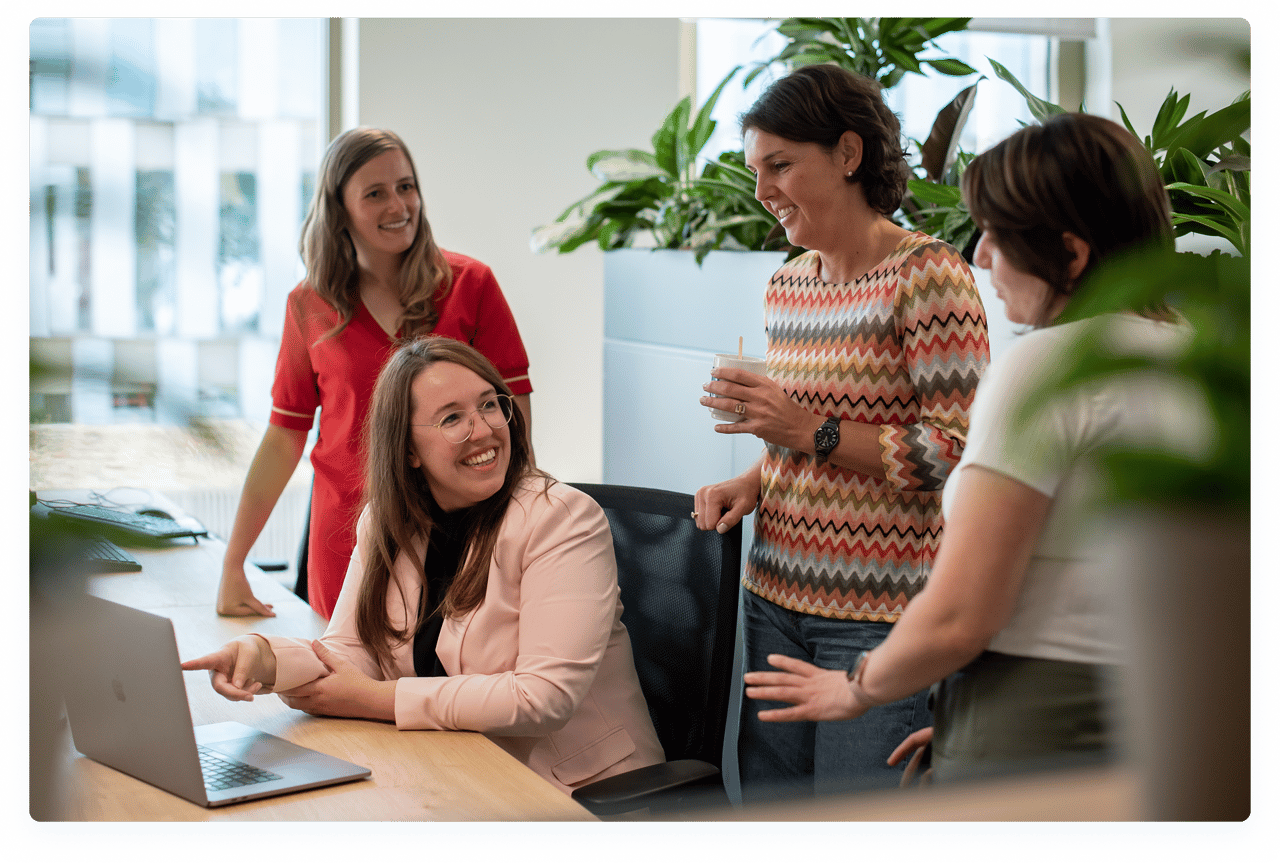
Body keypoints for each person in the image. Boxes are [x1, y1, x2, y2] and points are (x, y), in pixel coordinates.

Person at [742, 112, 1200, 783]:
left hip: (1035, 711)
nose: (981, 256)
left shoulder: (1046, 366)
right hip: (1157, 712)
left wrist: (859, 688)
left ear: (1071, 255)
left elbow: (961, 615)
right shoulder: (1197, 360)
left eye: (997, 234)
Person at [185, 337, 664, 795]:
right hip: (456, 770)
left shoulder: (561, 518)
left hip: (580, 793)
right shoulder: (387, 521)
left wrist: (376, 699)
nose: (484, 430)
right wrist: (264, 659)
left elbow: (542, 697)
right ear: (408, 450)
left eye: (489, 405)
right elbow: (349, 652)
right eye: (452, 418)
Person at [693, 64, 989, 797]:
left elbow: (958, 452)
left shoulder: (929, 276)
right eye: (755, 170)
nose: (762, 190)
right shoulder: (787, 283)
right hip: (774, 599)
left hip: (879, 618)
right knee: (773, 821)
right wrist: (754, 479)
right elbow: (802, 436)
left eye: (779, 165)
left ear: (848, 154)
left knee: (859, 828)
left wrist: (805, 429)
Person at [216, 128, 534, 621]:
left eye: (406, 187)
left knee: (459, 665)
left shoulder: (471, 285)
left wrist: (527, 520)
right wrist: (234, 562)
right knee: (343, 667)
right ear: (339, 209)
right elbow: (284, 435)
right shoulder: (308, 305)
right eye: (375, 194)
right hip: (345, 536)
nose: (399, 206)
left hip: (463, 530)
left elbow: (513, 417)